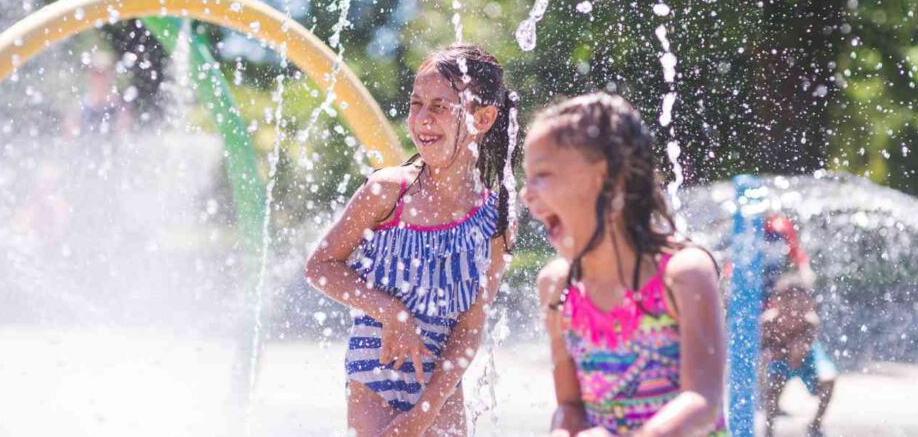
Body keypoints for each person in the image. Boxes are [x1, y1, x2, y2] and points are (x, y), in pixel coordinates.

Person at [305, 43, 518, 437]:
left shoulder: (496, 219)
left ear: (483, 117)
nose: (422, 119)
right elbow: (319, 267)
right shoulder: (389, 191)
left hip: (440, 390)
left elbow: (470, 327)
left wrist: (424, 411)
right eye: (416, 104)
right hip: (375, 375)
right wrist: (392, 313)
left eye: (439, 107)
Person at [525, 92, 728, 437]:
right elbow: (571, 406)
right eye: (526, 178)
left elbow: (702, 401)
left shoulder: (681, 275)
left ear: (608, 179)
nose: (525, 193)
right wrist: (565, 432)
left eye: (541, 175)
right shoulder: (558, 289)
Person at [761, 274, 836, 437]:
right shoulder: (768, 322)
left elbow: (800, 354)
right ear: (776, 302)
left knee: (828, 380)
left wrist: (792, 351)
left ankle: (815, 423)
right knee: (773, 386)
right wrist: (771, 356)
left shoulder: (810, 323)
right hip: (780, 359)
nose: (793, 310)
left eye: (800, 305)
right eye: (788, 303)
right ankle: (769, 429)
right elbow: (764, 351)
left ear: (809, 305)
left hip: (807, 359)